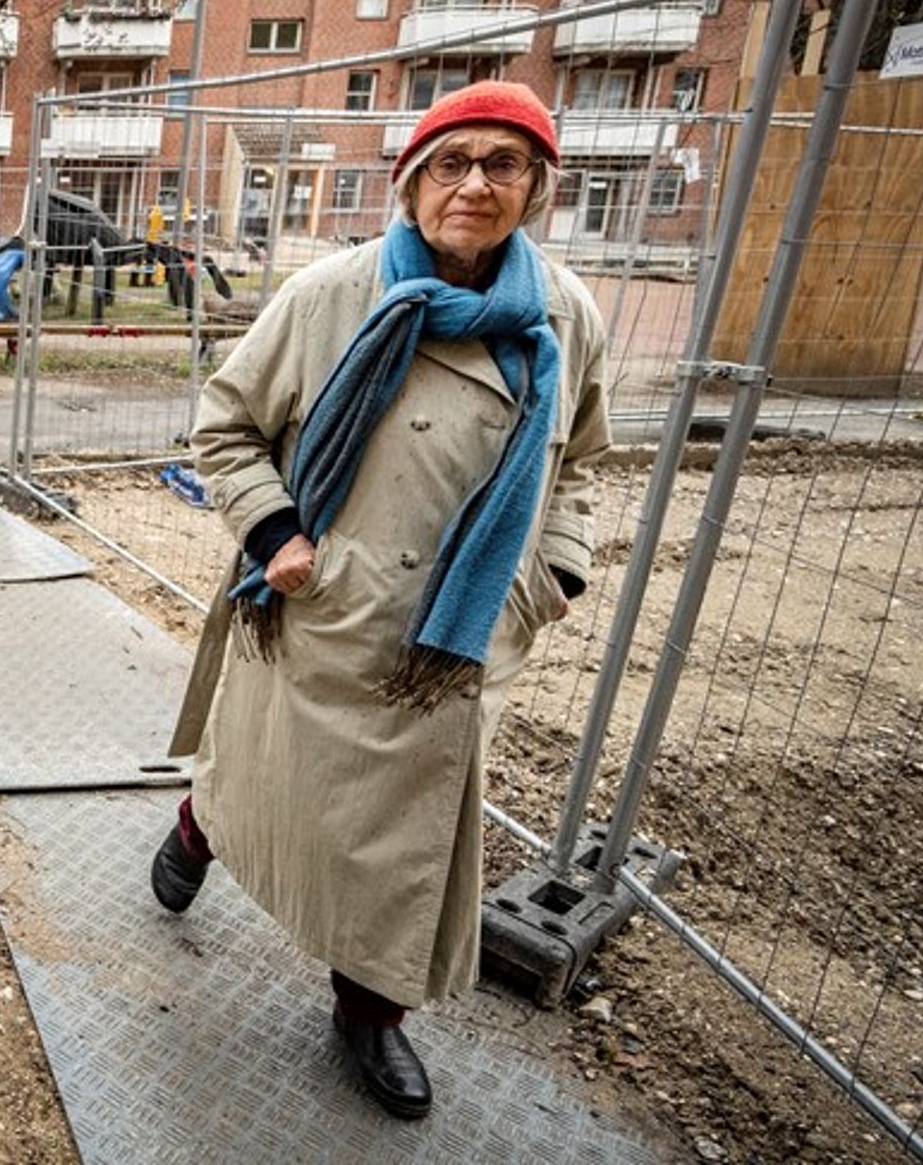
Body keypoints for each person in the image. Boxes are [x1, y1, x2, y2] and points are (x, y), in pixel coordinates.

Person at [147, 81, 611, 1121]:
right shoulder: (333, 292)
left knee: (402, 840)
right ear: (410, 182)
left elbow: (578, 460)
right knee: (264, 772)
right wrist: (276, 534)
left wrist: (558, 570)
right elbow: (224, 428)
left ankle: (369, 1010)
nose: (474, 184)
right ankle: (199, 825)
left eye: (502, 164)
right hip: (321, 607)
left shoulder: (563, 314)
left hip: (453, 632)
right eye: (451, 163)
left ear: (534, 187)